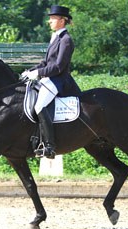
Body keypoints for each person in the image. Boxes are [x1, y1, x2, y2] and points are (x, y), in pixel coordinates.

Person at [22, 5, 81, 159]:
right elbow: (46, 62)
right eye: (50, 18)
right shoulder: (56, 37)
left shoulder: (66, 40)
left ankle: (49, 146)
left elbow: (59, 66)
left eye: (53, 18)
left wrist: (39, 73)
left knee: (39, 105)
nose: (50, 21)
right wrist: (31, 71)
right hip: (50, 78)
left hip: (59, 80)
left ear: (62, 20)